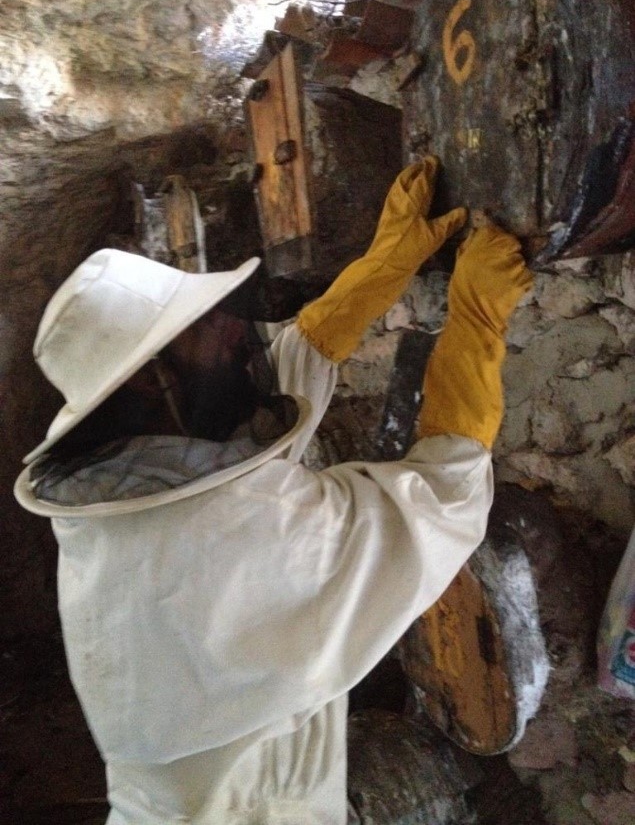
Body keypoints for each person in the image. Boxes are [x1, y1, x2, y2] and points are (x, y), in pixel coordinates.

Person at [14, 157, 532, 824]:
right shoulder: (242, 528)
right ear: (147, 378)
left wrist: (385, 264)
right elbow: (440, 497)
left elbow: (269, 383)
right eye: (202, 328)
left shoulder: (125, 472)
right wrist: (477, 319)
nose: (235, 329)